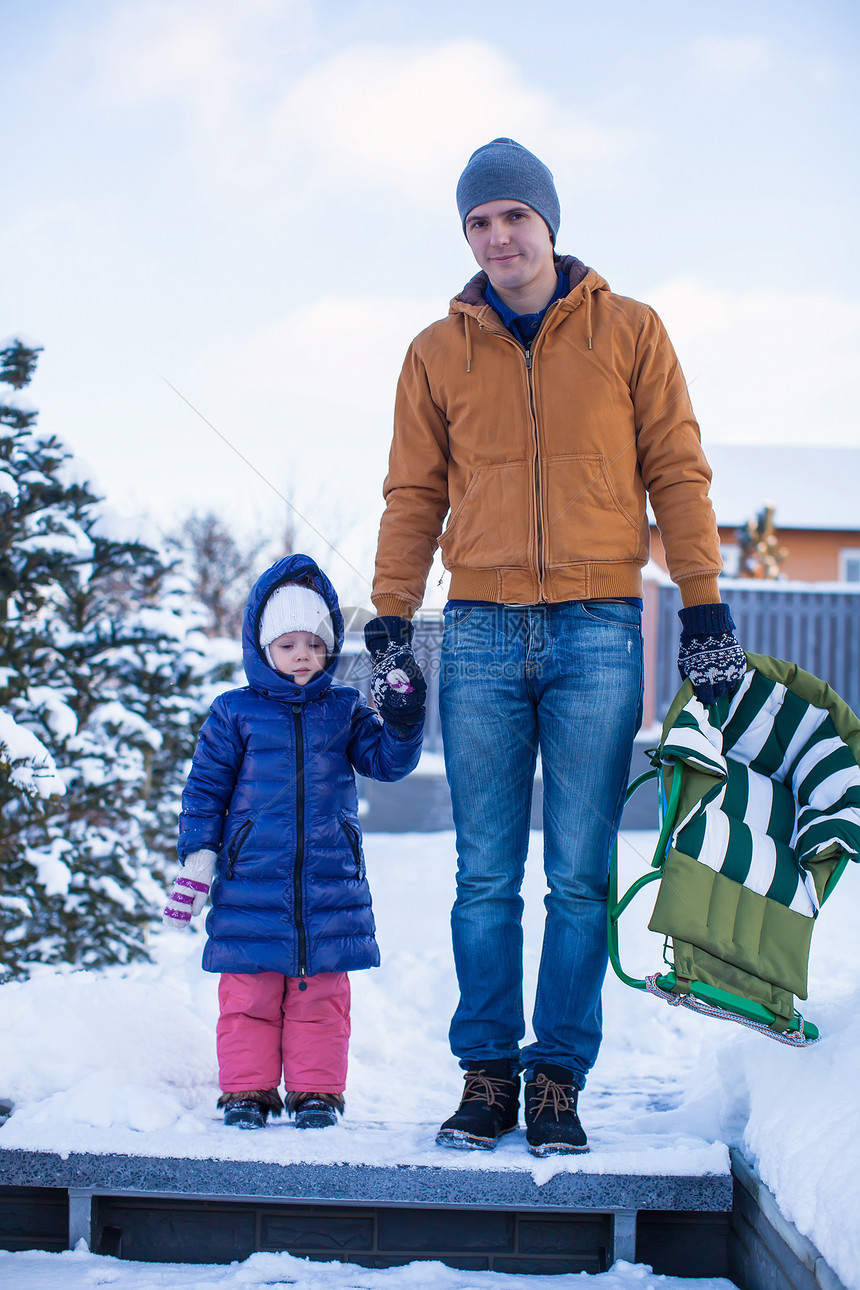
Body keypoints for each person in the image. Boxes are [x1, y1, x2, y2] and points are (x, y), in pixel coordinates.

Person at [365, 138, 745, 1156]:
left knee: (578, 876)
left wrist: (702, 608)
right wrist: (390, 623)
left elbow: (677, 469)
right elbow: (413, 494)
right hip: (480, 632)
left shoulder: (628, 332)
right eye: (477, 223)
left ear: (548, 224)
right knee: (482, 875)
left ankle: (557, 1079)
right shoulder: (433, 353)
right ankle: (487, 1072)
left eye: (512, 219)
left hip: (596, 630)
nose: (496, 238)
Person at [163, 553, 425, 1131]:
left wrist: (403, 722)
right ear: (263, 648)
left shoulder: (345, 709)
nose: (303, 655)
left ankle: (316, 1094)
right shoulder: (234, 713)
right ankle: (247, 1092)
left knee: (320, 1002)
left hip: (328, 887)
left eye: (314, 642)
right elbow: (204, 791)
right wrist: (199, 862)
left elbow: (385, 762)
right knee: (248, 999)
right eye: (287, 644)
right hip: (250, 884)